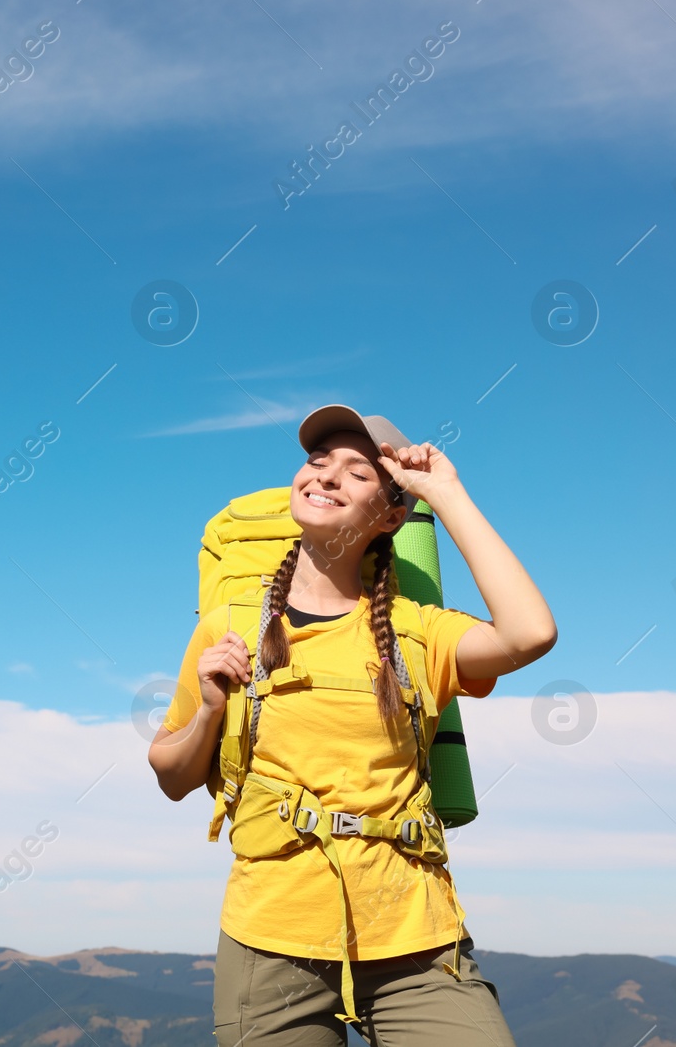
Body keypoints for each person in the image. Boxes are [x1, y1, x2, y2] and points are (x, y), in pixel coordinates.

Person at [146, 405, 556, 1047]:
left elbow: (530, 632)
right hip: (270, 941)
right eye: (317, 461)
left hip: (416, 938)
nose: (328, 475)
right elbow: (171, 777)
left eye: (358, 472)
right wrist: (207, 710)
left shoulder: (418, 632)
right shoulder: (230, 624)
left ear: (391, 514)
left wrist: (443, 492)